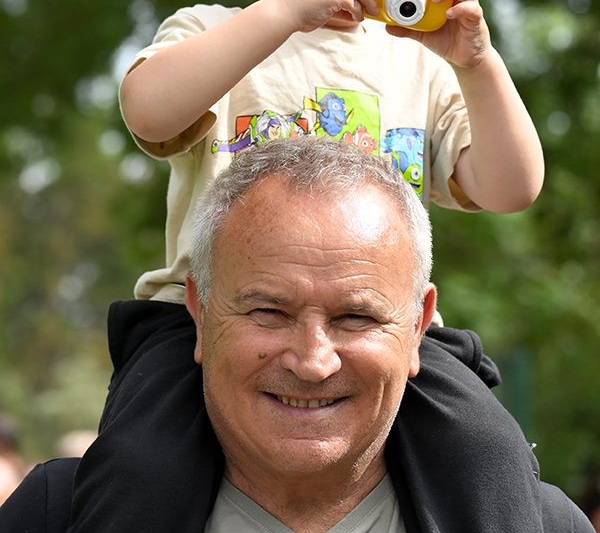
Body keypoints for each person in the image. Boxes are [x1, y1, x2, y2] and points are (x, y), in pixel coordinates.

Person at [60, 0, 547, 531]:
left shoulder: (420, 66)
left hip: (376, 332)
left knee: (489, 451)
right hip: (204, 325)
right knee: (139, 469)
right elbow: (149, 108)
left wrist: (477, 60)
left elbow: (512, 185)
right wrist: (285, 10)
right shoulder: (217, 34)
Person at [0, 138, 591, 531]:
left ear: (418, 328)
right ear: (198, 313)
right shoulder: (58, 518)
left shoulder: (537, 525)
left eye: (356, 318)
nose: (312, 361)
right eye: (269, 312)